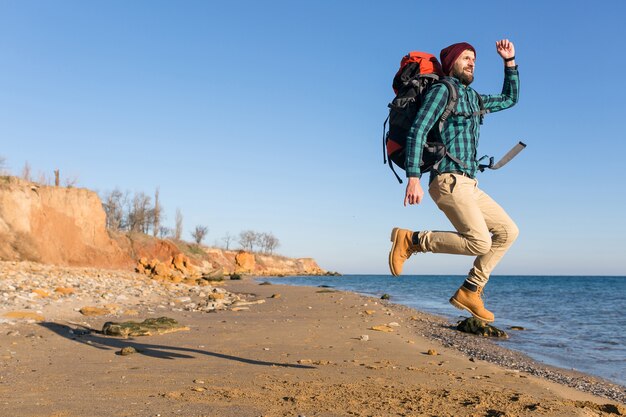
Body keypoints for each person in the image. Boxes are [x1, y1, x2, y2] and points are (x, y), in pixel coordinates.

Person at [388, 39, 519, 322]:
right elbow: (418, 130)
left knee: (508, 232)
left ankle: (472, 290)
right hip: (448, 179)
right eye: (465, 58)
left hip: (470, 184)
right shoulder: (442, 91)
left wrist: (509, 62)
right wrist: (413, 177)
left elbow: (510, 99)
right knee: (480, 242)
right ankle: (412, 240)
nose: (472, 62)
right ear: (451, 64)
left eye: (474, 59)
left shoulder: (475, 99)